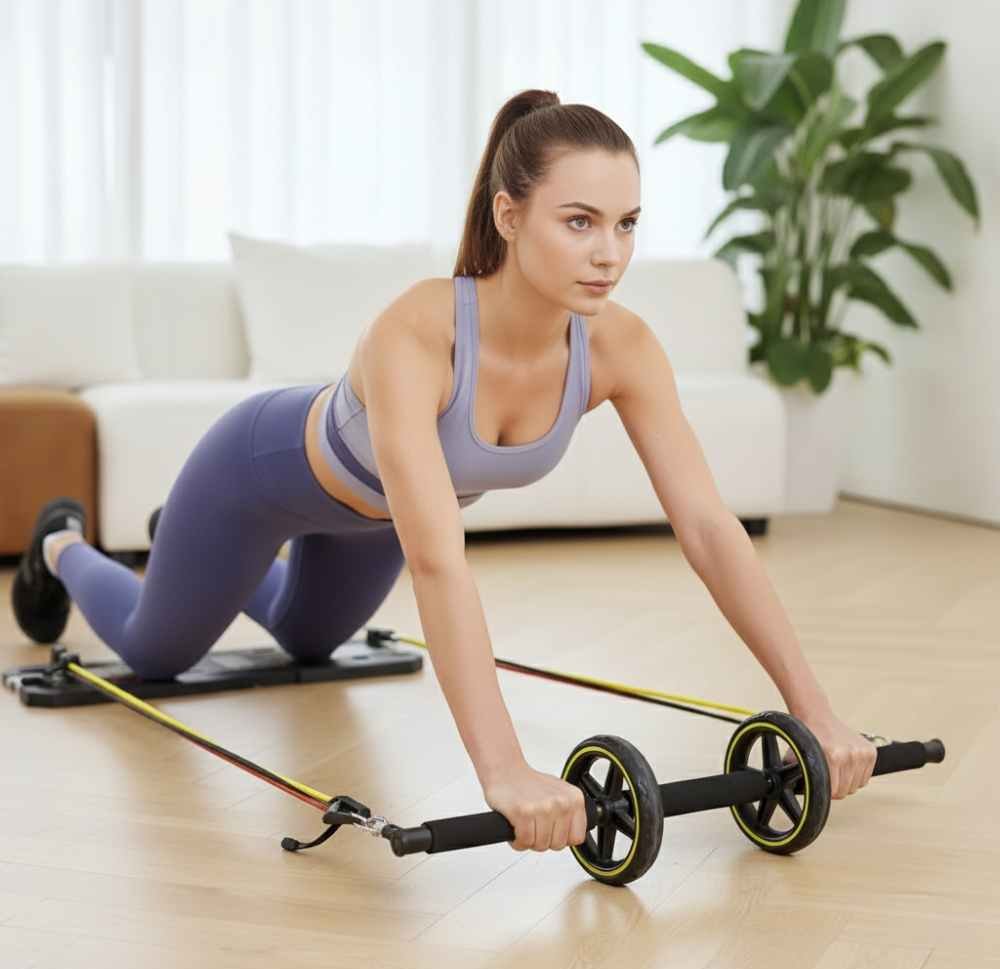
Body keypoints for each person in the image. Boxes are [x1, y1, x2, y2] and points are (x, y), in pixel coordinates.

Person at [11, 88, 876, 858]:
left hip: (370, 520)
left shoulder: (621, 346)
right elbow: (438, 560)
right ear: (509, 214)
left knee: (311, 644)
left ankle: (192, 552)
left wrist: (814, 708)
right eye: (579, 221)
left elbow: (709, 528)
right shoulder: (421, 330)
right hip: (253, 475)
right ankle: (64, 548)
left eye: (626, 224)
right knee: (157, 653)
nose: (609, 252)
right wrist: (504, 769)